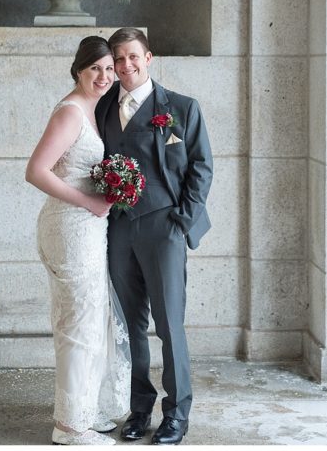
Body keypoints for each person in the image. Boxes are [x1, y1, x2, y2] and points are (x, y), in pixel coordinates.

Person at [96, 27, 212, 446]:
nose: (125, 66)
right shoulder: (104, 108)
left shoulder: (180, 108)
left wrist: (181, 220)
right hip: (119, 229)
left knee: (169, 325)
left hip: (164, 228)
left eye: (132, 57)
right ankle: (138, 409)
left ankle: (177, 415)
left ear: (148, 58)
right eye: (118, 59)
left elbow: (201, 166)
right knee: (129, 325)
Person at [26, 36, 130, 446]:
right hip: (70, 227)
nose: (104, 76)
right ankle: (70, 429)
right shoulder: (70, 112)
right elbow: (36, 171)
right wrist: (89, 200)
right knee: (78, 326)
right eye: (95, 69)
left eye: (109, 69)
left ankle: (83, 412)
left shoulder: (92, 107)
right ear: (78, 71)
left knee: (90, 322)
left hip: (87, 227)